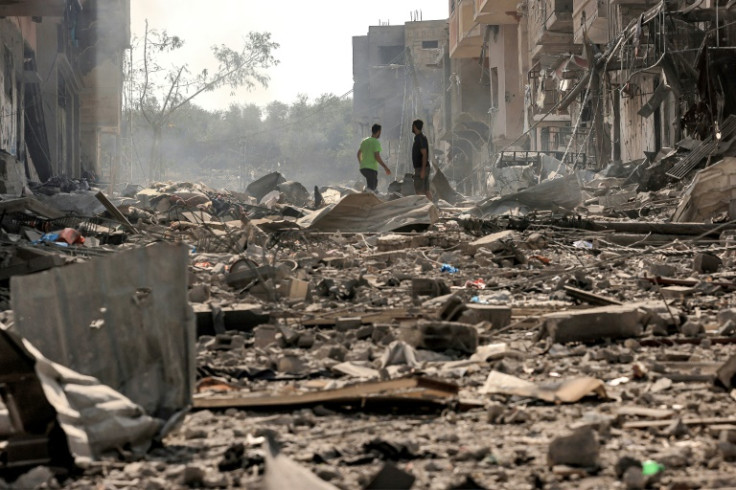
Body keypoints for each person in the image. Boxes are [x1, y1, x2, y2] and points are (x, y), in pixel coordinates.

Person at [357, 123, 391, 192]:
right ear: (378, 132)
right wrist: (386, 168)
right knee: (372, 188)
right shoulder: (376, 142)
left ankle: (366, 195)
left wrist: (362, 164)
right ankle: (366, 199)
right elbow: (377, 157)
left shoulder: (364, 141)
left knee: (373, 185)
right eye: (380, 132)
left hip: (363, 169)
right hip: (371, 169)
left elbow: (358, 154)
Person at [411, 119, 432, 200]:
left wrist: (422, 170)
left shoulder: (420, 138)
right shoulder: (420, 138)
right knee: (426, 191)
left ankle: (424, 209)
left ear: (415, 127)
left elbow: (424, 154)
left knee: (419, 192)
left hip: (422, 168)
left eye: (413, 126)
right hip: (422, 168)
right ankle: (432, 208)